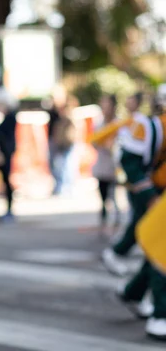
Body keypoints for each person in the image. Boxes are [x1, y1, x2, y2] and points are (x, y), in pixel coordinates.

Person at [110, 84, 166, 341]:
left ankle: (134, 291)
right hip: (154, 195)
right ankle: (160, 314)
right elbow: (129, 160)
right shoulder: (151, 126)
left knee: (157, 250)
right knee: (161, 252)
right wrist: (148, 195)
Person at [101, 92, 151, 276]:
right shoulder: (133, 123)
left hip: (140, 180)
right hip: (139, 181)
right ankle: (117, 251)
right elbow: (128, 154)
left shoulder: (140, 122)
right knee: (139, 220)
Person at [89, 94, 121, 234]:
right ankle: (104, 219)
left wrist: (111, 146)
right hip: (102, 163)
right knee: (102, 194)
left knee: (113, 195)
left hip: (114, 165)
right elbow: (94, 141)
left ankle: (116, 220)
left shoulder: (118, 123)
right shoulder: (99, 123)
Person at [0, 86, 19, 224]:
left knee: (7, 180)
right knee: (4, 181)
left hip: (6, 153)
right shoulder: (8, 117)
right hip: (5, 152)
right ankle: (8, 210)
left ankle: (9, 210)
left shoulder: (10, 117)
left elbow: (3, 137)